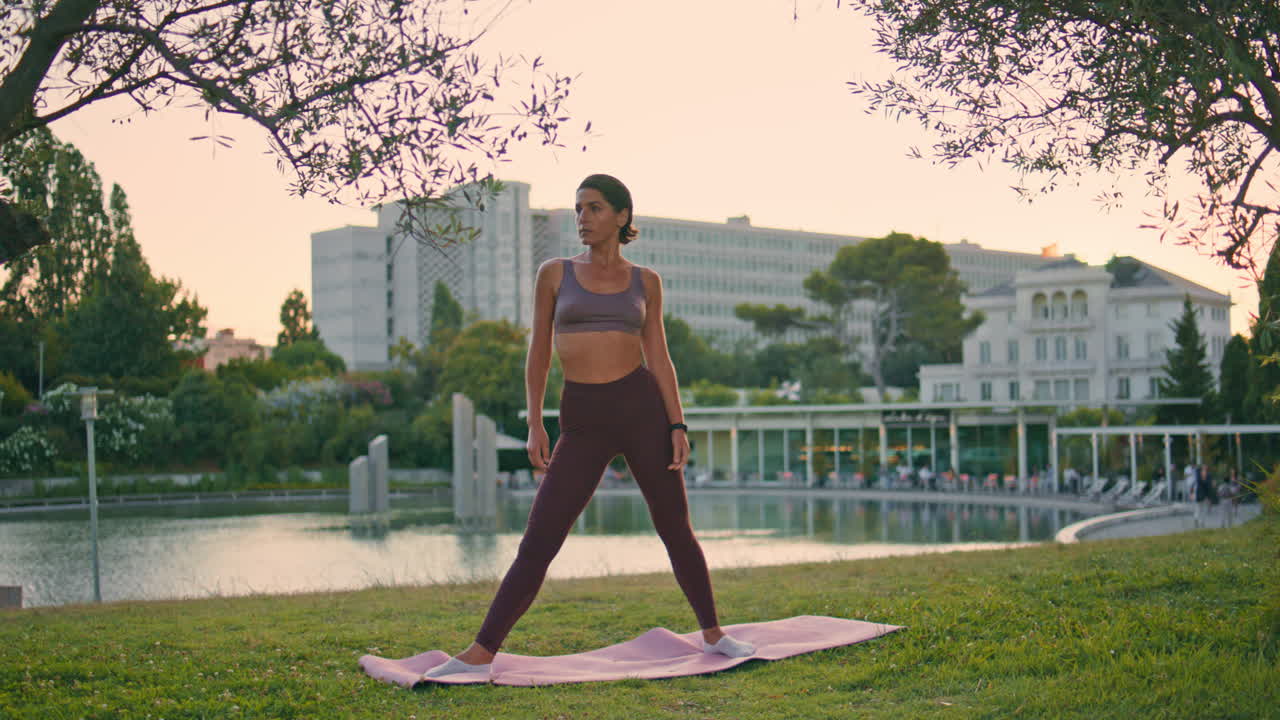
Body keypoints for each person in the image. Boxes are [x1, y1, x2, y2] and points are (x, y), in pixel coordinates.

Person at [424, 174, 755, 680]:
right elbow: (538, 353)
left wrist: (677, 422)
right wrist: (536, 422)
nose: (583, 217)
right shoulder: (554, 274)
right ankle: (481, 653)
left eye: (595, 208)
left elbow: (660, 357)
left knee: (675, 528)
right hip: (581, 419)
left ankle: (713, 635)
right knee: (540, 538)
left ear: (622, 217)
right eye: (579, 208)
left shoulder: (647, 281)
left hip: (641, 409)